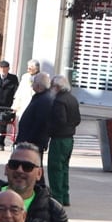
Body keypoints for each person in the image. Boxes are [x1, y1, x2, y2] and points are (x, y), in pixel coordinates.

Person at [48, 75, 80, 206]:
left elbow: (59, 120)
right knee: (64, 168)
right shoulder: (72, 99)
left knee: (55, 168)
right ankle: (65, 196)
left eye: (52, 86)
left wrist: (49, 129)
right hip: (69, 138)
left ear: (57, 87)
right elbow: (77, 120)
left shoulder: (59, 101)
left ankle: (57, 197)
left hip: (59, 138)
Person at [14, 72, 53, 154]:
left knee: (32, 164)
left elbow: (40, 122)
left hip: (33, 142)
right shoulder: (40, 96)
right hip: (30, 141)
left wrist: (29, 140)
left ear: (39, 86)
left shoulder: (44, 99)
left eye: (33, 83)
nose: (32, 85)